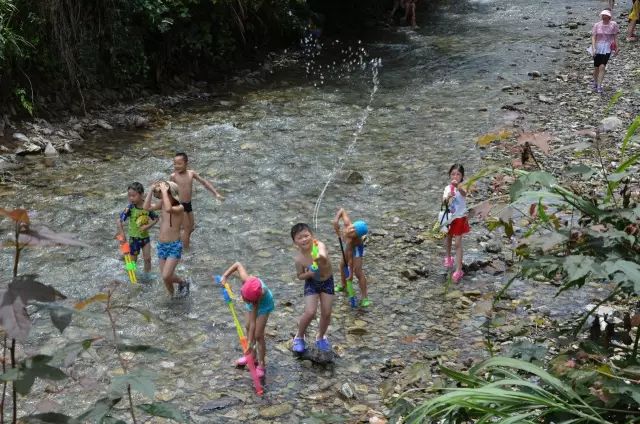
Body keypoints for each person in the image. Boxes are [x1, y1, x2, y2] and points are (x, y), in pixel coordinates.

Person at [220, 262, 274, 378]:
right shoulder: (247, 280)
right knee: (247, 326)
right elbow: (238, 264)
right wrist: (225, 276)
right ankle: (252, 356)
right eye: (243, 297)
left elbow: (254, 322)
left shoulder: (256, 301)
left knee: (258, 335)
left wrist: (249, 342)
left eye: (245, 300)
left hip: (264, 306)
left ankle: (261, 364)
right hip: (252, 300)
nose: (242, 300)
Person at [290, 223, 334, 353]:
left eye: (306, 236)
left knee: (326, 313)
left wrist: (318, 257)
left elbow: (324, 258)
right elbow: (300, 276)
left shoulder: (319, 245)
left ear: (312, 236)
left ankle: (320, 336)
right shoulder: (299, 259)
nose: (304, 239)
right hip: (312, 283)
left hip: (327, 281)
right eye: (299, 238)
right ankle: (299, 336)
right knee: (310, 312)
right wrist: (308, 273)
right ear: (295, 242)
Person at [170, 152, 224, 250]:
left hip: (188, 204)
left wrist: (216, 193)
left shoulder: (191, 173)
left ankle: (180, 242)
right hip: (180, 205)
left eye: (179, 163)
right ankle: (185, 252)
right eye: (175, 164)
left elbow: (204, 182)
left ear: (186, 163)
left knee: (191, 228)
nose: (176, 166)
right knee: (186, 229)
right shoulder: (173, 176)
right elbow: (169, 192)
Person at [143, 180, 188, 297]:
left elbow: (169, 209)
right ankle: (172, 296)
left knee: (166, 275)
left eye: (166, 194)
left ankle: (182, 282)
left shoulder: (180, 207)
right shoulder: (163, 203)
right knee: (165, 278)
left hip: (174, 246)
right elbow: (146, 207)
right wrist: (150, 190)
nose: (163, 196)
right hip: (162, 245)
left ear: (172, 195)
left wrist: (164, 191)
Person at [116, 182, 158, 274]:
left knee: (147, 259)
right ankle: (130, 273)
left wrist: (147, 226)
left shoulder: (147, 207)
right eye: (129, 196)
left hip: (145, 238)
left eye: (133, 196)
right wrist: (122, 234)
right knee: (132, 261)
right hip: (134, 239)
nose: (131, 198)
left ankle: (147, 276)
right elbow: (119, 221)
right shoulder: (130, 208)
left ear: (142, 194)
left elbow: (156, 219)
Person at [332, 208, 370, 307]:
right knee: (341, 265)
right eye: (353, 227)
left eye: (354, 232)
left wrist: (351, 274)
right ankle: (343, 285)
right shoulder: (347, 224)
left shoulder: (353, 241)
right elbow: (342, 210)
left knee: (358, 272)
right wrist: (336, 220)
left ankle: (365, 297)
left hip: (356, 249)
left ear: (356, 236)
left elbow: (350, 260)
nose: (351, 230)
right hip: (348, 247)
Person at [442, 164, 470, 283]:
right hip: (450, 217)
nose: (455, 176)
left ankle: (459, 269)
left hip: (460, 217)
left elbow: (464, 194)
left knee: (458, 242)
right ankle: (448, 257)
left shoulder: (462, 186)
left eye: (458, 174)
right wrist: (448, 197)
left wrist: (457, 186)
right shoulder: (447, 188)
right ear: (449, 175)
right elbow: (444, 203)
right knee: (448, 237)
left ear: (462, 176)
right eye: (453, 174)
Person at [591, 9, 620, 94]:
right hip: (598, 46)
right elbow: (593, 37)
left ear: (609, 17)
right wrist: (593, 47)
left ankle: (599, 86)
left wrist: (617, 48)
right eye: (603, 16)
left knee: (602, 66)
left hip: (607, 47)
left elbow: (615, 37)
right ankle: (595, 82)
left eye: (606, 16)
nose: (604, 17)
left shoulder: (613, 25)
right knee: (596, 67)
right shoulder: (597, 25)